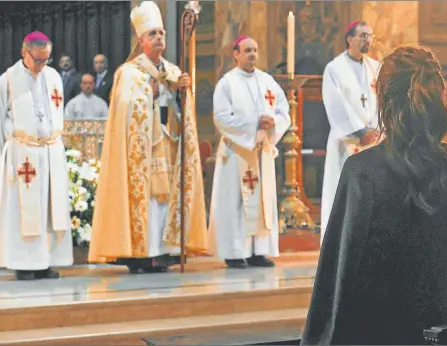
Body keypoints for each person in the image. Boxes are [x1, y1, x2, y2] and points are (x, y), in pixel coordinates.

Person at [302, 45, 447, 345]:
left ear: (384, 100)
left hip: (378, 333)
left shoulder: (363, 170)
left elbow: (338, 274)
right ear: (440, 97)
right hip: (441, 331)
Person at [88, 1, 208, 273]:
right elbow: (125, 111)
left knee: (166, 202)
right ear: (141, 40)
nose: (158, 38)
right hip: (140, 154)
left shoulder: (175, 72)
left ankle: (164, 251)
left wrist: (181, 94)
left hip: (168, 146)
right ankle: (141, 254)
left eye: (161, 34)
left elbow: (183, 114)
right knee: (148, 201)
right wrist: (150, 96)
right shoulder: (128, 73)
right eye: (152, 34)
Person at [209, 36, 291, 269]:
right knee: (236, 202)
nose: (253, 54)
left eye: (255, 50)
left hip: (261, 150)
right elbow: (221, 118)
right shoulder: (227, 83)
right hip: (238, 152)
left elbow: (283, 111)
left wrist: (271, 123)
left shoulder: (267, 81)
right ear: (236, 54)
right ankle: (235, 252)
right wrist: (254, 124)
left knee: (263, 201)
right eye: (247, 50)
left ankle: (259, 251)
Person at [0, 31, 72, 280]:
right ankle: (23, 264)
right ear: (24, 52)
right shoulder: (8, 80)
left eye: (46, 60)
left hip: (50, 151)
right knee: (24, 211)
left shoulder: (53, 77)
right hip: (23, 153)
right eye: (38, 60)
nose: (42, 65)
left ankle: (45, 262)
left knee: (49, 211)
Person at [320, 20, 381, 242]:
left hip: (373, 140)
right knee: (343, 190)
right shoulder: (334, 69)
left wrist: (375, 128)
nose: (368, 40)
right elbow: (335, 103)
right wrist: (359, 129)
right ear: (349, 38)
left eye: (370, 35)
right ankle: (340, 239)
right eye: (363, 35)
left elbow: (383, 100)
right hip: (346, 141)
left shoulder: (376, 67)